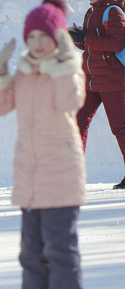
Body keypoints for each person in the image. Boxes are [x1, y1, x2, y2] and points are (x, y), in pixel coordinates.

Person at [0, 0, 86, 289]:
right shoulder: (25, 73)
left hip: (61, 177)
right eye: (32, 36)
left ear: (57, 37)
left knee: (60, 252)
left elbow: (71, 102)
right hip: (30, 179)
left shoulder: (69, 70)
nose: (37, 43)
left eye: (45, 36)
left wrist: (65, 65)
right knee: (30, 255)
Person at [69, 0, 125, 190]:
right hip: (91, 81)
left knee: (121, 128)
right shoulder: (90, 12)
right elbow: (90, 46)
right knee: (77, 123)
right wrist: (77, 38)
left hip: (113, 80)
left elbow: (117, 43)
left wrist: (87, 37)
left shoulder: (114, 12)